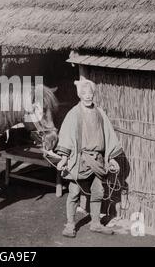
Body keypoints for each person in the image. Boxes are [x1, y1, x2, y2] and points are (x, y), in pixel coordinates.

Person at [56, 76, 122, 238]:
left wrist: (111, 158)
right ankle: (70, 225)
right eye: (84, 92)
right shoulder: (74, 114)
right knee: (74, 192)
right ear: (79, 94)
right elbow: (66, 137)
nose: (88, 95)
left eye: (90, 92)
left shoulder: (100, 113)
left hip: (98, 160)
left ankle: (95, 223)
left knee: (98, 191)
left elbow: (108, 135)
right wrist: (64, 158)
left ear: (94, 94)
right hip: (80, 159)